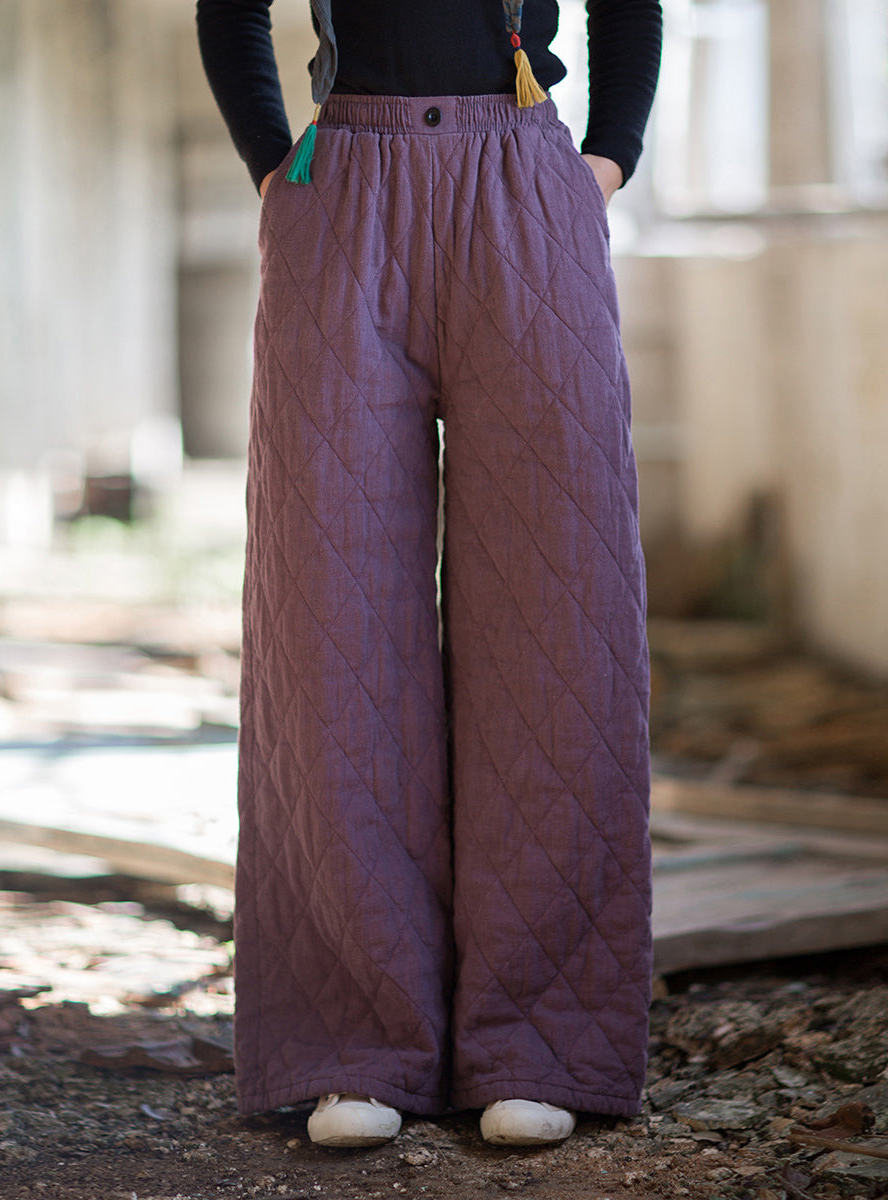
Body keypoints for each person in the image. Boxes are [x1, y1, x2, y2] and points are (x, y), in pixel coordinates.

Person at [196, 0, 662, 1150]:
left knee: (559, 617)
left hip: (526, 185)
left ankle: (538, 1040)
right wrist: (275, 168)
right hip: (341, 185)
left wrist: (606, 159)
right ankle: (356, 1040)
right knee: (332, 620)